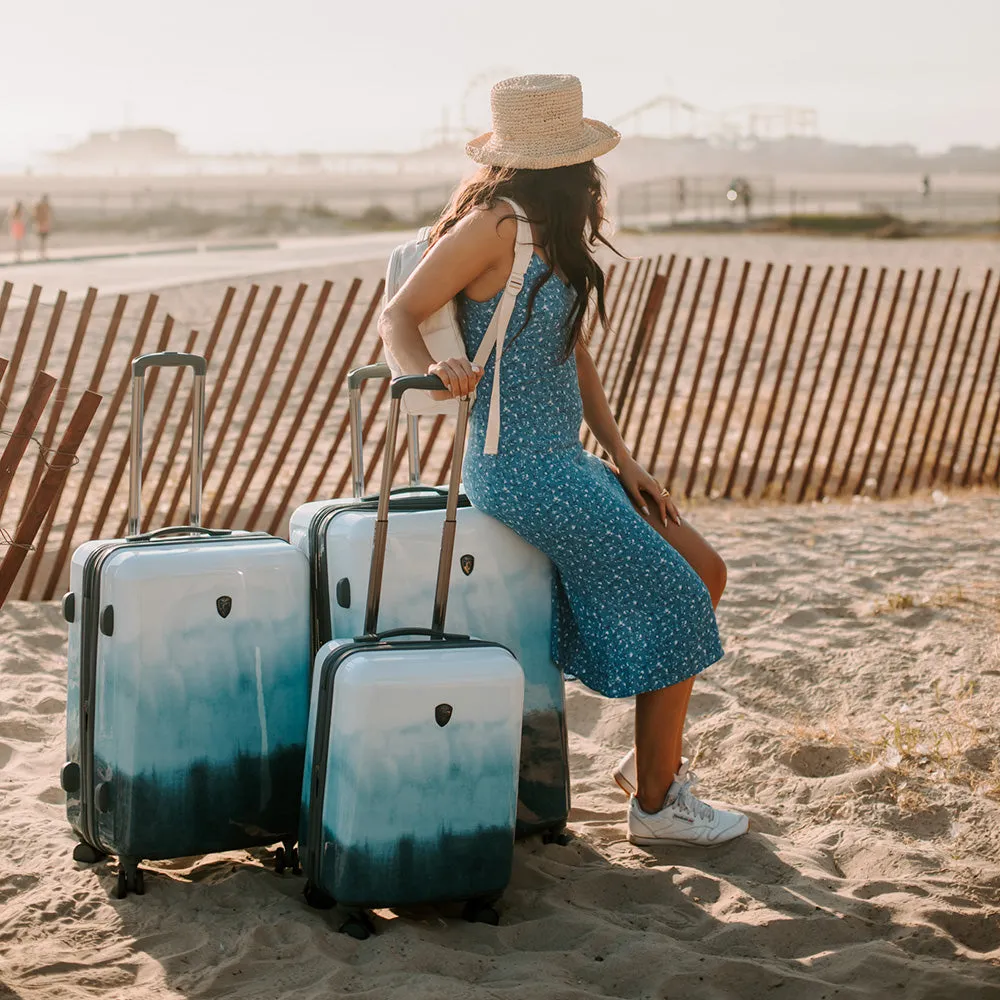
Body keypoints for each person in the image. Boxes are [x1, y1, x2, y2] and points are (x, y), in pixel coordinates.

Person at [380, 74, 747, 847]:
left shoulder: (551, 227)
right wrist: (433, 373)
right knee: (676, 597)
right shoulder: (493, 224)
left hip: (567, 458)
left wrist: (623, 455)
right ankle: (656, 806)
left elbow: (572, 351)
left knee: (704, 571)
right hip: (516, 467)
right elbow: (399, 313)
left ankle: (651, 762)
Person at [33, 195, 52, 259]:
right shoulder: (40, 206)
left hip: (44, 225)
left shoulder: (46, 206)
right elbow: (36, 216)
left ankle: (42, 254)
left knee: (43, 241)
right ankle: (41, 254)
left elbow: (48, 216)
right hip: (41, 225)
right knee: (41, 240)